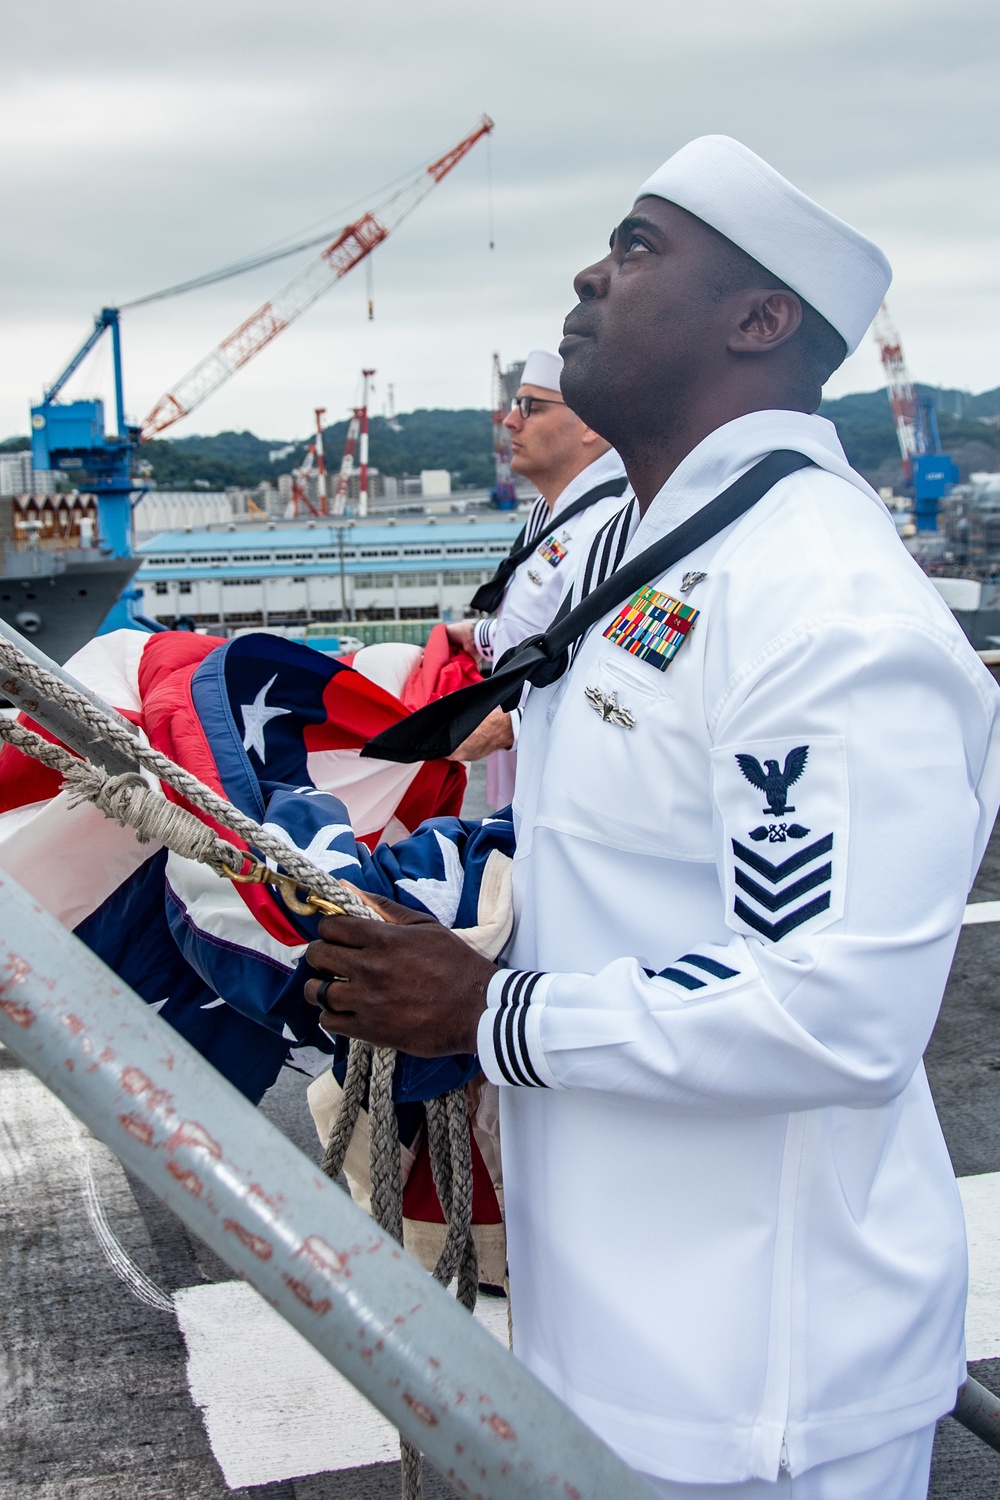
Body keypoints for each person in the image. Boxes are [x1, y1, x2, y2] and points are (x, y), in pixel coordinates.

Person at [303, 135, 1000, 1498]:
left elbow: (835, 1006)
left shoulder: (825, 604)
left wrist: (485, 1011)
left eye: (638, 249)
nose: (586, 274)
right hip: (615, 1334)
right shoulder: (642, 541)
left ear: (759, 321)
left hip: (759, 1385)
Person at [447, 347, 628, 806]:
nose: (510, 420)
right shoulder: (555, 513)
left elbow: (609, 667)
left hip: (565, 788)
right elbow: (534, 628)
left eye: (530, 406)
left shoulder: (606, 526)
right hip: (524, 782)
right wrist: (473, 634)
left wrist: (513, 722)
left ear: (590, 424)